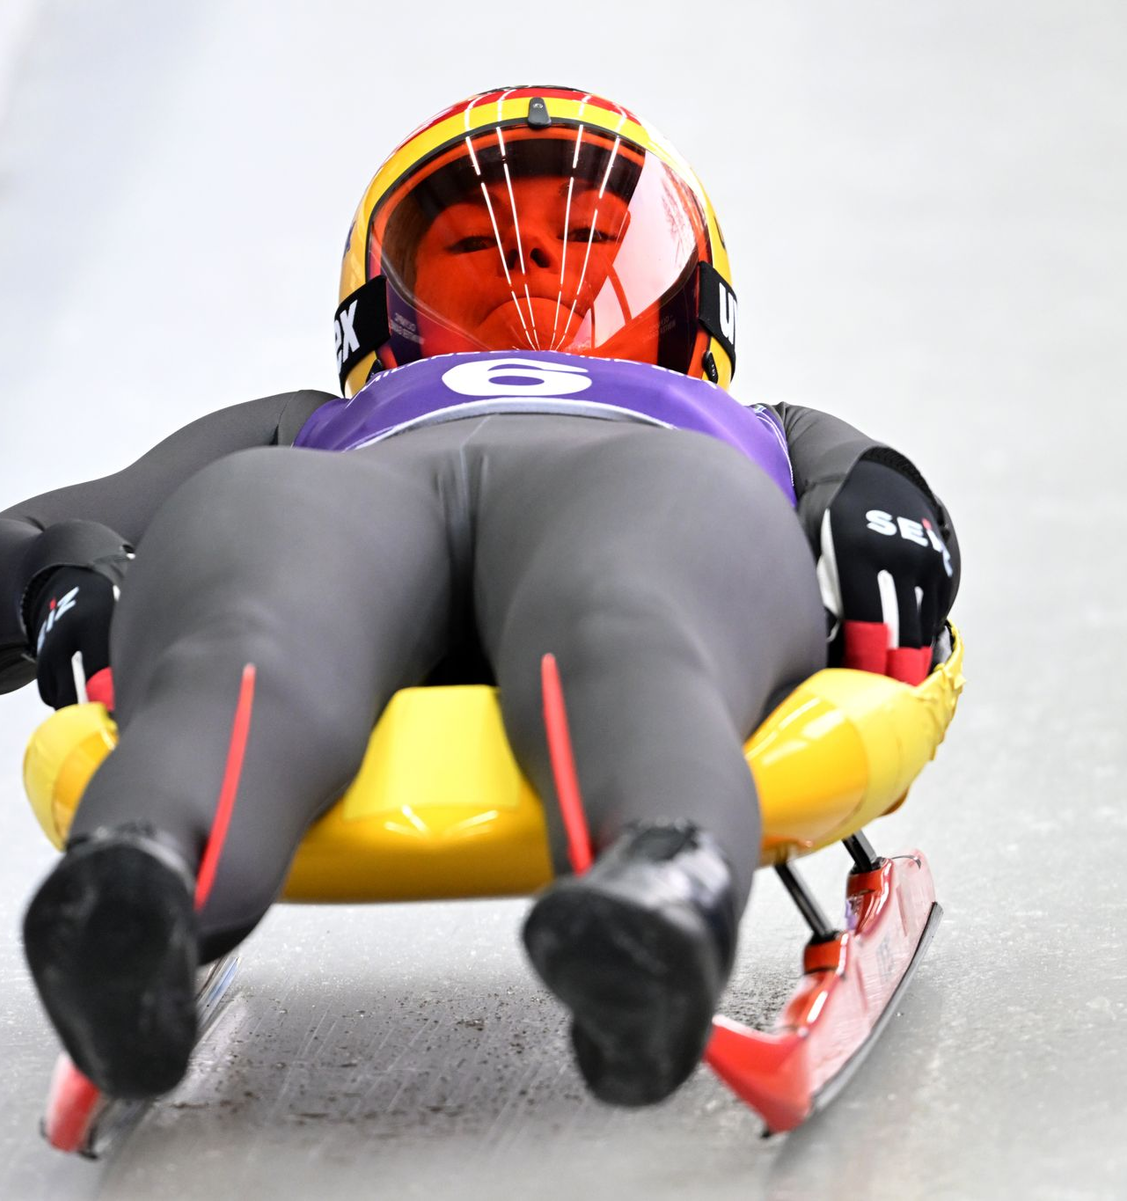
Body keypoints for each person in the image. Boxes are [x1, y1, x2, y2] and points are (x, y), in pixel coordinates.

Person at [1, 87, 960, 1108]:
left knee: (627, 611)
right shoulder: (312, 426)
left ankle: (655, 883)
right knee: (253, 614)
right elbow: (25, 534)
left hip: (644, 481)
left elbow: (878, 492)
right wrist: (69, 570)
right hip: (349, 498)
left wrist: (878, 517)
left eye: (590, 235)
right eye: (470, 245)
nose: (533, 262)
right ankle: (132, 885)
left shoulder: (756, 427)